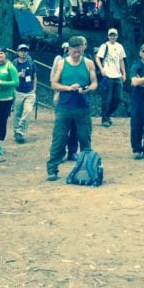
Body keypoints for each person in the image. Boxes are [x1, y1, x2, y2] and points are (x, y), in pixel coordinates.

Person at [46, 36, 98, 181]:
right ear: (68, 50)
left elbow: (94, 83)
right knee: (59, 137)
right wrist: (68, 88)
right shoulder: (62, 64)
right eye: (74, 52)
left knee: (84, 138)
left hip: (83, 106)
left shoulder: (88, 63)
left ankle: (88, 167)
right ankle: (52, 168)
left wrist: (88, 89)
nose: (76, 55)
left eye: (79, 52)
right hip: (64, 107)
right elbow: (54, 84)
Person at [95, 28, 127, 127]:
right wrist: (101, 69)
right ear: (108, 36)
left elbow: (121, 60)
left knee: (118, 98)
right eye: (111, 35)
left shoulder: (120, 46)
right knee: (106, 98)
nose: (112, 37)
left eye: (114, 35)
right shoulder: (104, 46)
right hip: (107, 75)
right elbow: (97, 58)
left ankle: (107, 114)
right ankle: (104, 119)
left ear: (117, 36)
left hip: (117, 75)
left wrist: (124, 73)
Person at [11, 44, 37, 144]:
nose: (23, 52)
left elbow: (34, 76)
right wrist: (18, 75)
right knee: (17, 113)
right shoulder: (14, 64)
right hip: (18, 92)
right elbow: (10, 77)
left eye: (25, 50)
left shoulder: (31, 63)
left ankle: (20, 132)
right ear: (17, 52)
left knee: (28, 111)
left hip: (30, 92)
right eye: (21, 50)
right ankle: (16, 133)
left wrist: (34, 89)